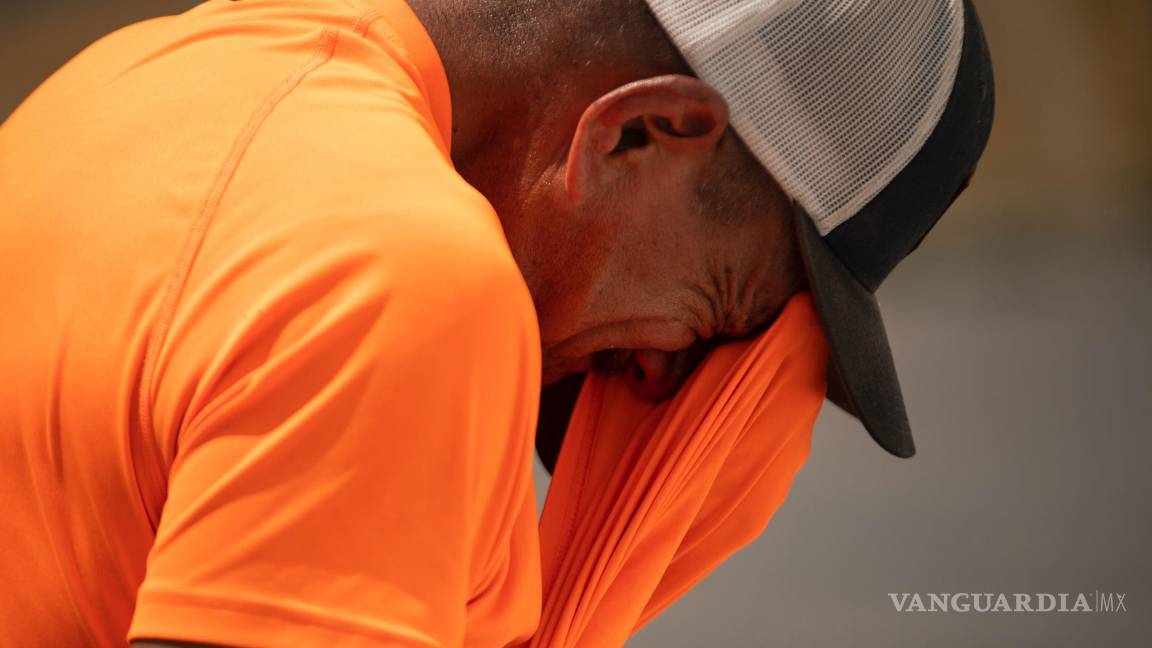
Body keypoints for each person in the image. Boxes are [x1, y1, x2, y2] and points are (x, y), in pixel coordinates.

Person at [0, 0, 992, 645]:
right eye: (724, 302)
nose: (662, 379)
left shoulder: (159, 65)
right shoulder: (403, 282)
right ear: (638, 132)